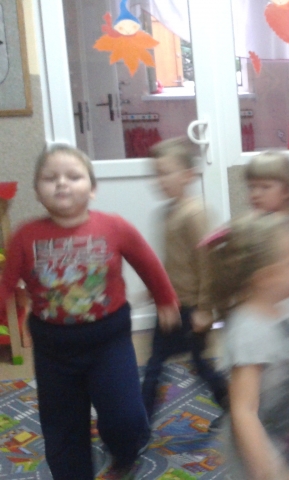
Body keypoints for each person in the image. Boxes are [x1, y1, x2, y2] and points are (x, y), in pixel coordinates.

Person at [0, 144, 180, 479]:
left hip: (108, 341)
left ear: (93, 189)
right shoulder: (25, 236)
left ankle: (124, 456)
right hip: (53, 349)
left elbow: (148, 263)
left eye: (73, 176)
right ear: (37, 192)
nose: (61, 183)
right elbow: (6, 284)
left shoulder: (114, 227)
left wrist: (166, 299)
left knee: (125, 419)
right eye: (50, 178)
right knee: (63, 429)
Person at [209, 212, 289, 479]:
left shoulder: (282, 307)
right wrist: (272, 472)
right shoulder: (249, 330)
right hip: (268, 456)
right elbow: (244, 411)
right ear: (266, 278)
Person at [141, 137, 228, 426]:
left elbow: (209, 265)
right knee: (155, 365)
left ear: (188, 175)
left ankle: (231, 403)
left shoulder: (196, 214)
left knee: (199, 364)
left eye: (166, 172)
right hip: (170, 306)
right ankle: (140, 423)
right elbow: (172, 261)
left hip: (191, 308)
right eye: (157, 173)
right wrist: (155, 290)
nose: (160, 180)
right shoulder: (166, 213)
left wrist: (205, 309)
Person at [245, 151, 289, 238]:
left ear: (287, 191)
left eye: (265, 187)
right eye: (251, 187)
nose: (255, 194)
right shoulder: (249, 227)